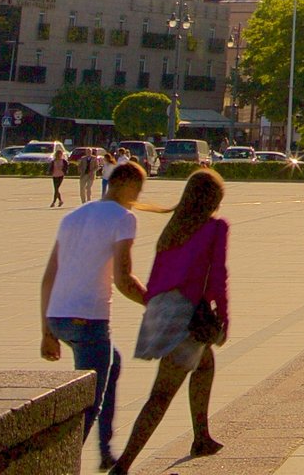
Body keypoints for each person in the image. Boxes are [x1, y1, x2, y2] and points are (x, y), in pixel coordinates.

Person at [111, 169, 229, 472]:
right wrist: (223, 317)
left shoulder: (174, 228)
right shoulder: (214, 228)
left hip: (159, 308)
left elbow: (159, 274)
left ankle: (201, 436)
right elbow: (217, 277)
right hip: (184, 312)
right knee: (161, 395)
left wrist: (154, 310)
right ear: (213, 200)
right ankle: (122, 466)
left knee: (205, 364)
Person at [39, 159, 150, 470]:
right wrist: (155, 304)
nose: (139, 197)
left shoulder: (73, 216)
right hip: (88, 320)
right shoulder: (123, 218)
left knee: (110, 367)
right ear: (128, 186)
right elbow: (124, 278)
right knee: (88, 403)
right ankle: (57, 464)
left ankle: (105, 452)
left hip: (59, 317)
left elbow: (48, 276)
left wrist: (47, 331)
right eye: (138, 190)